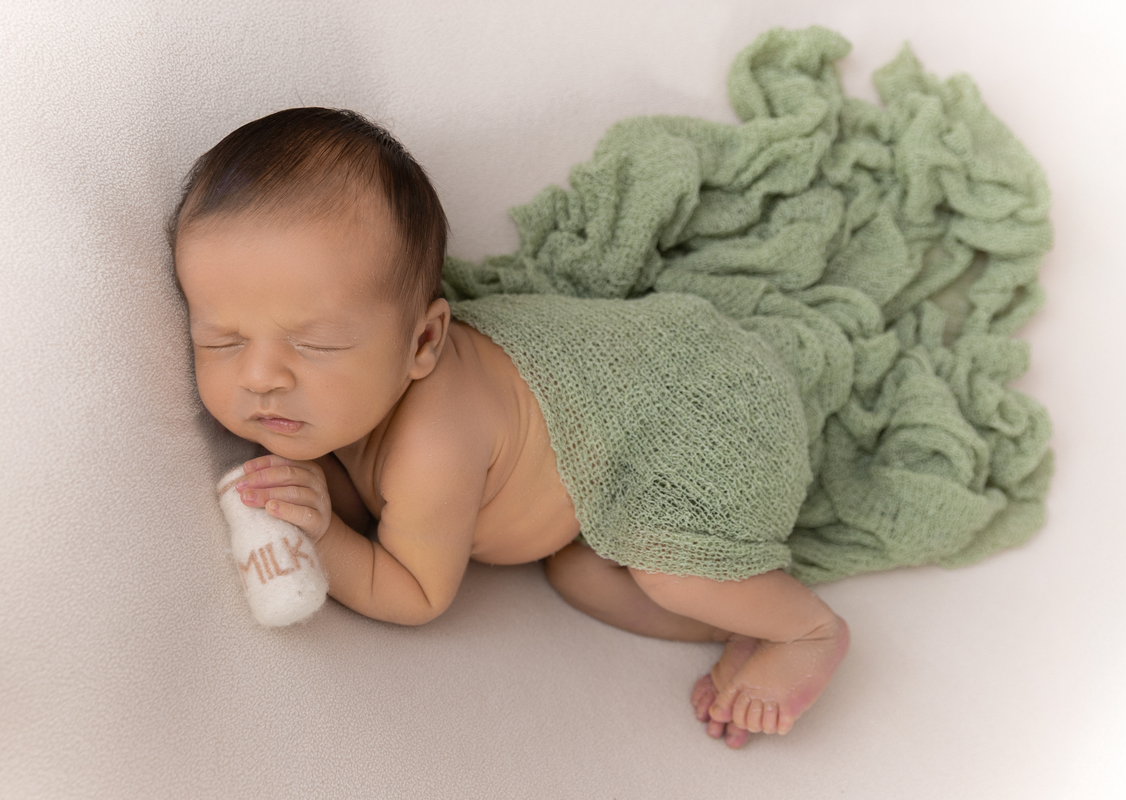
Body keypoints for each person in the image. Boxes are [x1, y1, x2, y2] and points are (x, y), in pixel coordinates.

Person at [171, 107, 848, 750]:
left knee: (667, 573)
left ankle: (806, 631)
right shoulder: (344, 402)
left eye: (314, 345)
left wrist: (325, 533)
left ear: (424, 342)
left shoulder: (432, 445)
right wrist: (318, 489)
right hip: (608, 424)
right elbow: (360, 488)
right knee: (580, 574)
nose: (260, 377)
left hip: (696, 416)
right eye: (221, 340)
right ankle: (732, 624)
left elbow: (416, 591)